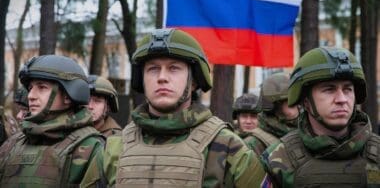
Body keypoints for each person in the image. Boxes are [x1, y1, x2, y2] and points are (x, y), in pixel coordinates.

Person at [81, 28, 266, 187]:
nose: (162, 77)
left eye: (174, 68)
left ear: (193, 82)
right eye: (153, 69)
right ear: (142, 80)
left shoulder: (227, 146)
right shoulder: (113, 148)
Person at [261, 47, 380, 187]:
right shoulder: (278, 158)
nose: (342, 99)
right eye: (329, 89)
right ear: (306, 102)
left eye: (347, 89)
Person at [0, 55, 104, 187]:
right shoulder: (13, 143)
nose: (31, 96)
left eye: (42, 87)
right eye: (31, 88)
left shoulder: (91, 148)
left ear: (68, 95)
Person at [249, 72, 299, 156]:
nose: (299, 107)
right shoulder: (255, 144)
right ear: (275, 107)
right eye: (292, 103)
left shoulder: (304, 134)